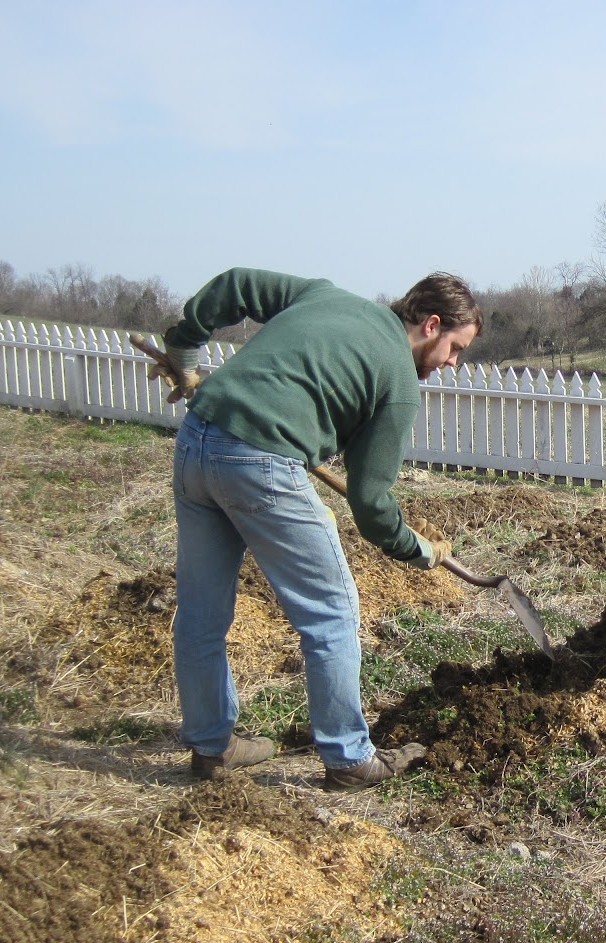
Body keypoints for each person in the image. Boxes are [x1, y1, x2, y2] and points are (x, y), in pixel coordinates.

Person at [156, 268, 481, 791]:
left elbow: (237, 283)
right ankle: (349, 757)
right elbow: (371, 503)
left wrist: (185, 347)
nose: (451, 364)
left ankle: (210, 746)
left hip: (198, 441)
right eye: (455, 348)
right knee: (331, 611)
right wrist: (414, 549)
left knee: (201, 609)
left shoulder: (324, 296)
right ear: (431, 325)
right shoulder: (398, 379)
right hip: (260, 464)